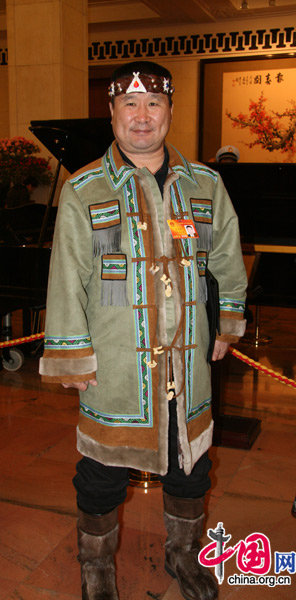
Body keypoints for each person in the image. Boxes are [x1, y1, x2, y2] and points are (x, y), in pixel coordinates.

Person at [39, 61, 247, 600]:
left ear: (169, 112)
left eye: (153, 104)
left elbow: (225, 259)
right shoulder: (85, 190)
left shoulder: (205, 184)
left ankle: (185, 556)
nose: (141, 115)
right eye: (129, 105)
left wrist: (227, 322)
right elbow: (66, 280)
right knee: (101, 475)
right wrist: (73, 356)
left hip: (189, 363)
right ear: (111, 113)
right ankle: (97, 569)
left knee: (191, 469)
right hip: (117, 367)